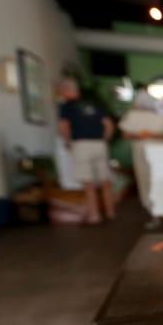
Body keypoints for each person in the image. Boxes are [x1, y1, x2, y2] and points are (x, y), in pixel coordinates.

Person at [57, 77, 115, 224]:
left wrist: (67, 142)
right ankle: (110, 212)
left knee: (88, 183)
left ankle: (94, 215)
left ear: (65, 91)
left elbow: (64, 126)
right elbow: (108, 125)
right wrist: (104, 139)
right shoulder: (94, 105)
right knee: (105, 181)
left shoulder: (67, 107)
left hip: (81, 144)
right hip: (99, 144)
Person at [119, 87, 163, 213]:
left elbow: (125, 134)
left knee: (146, 179)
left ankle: (154, 209)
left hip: (146, 149)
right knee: (158, 178)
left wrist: (144, 135)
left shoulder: (134, 115)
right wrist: (152, 135)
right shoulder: (159, 114)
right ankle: (160, 209)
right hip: (158, 149)